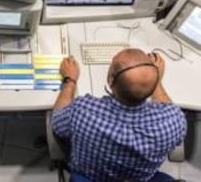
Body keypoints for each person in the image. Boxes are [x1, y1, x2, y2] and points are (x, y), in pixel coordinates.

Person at [52, 49, 187, 182]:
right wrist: (153, 80)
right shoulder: (173, 122)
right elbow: (168, 109)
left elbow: (58, 124)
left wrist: (70, 80)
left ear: (111, 81)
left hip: (90, 175)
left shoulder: (84, 111)